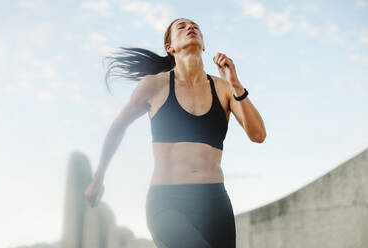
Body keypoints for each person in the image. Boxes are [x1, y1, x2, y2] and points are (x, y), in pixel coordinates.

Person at [84, 17, 267, 248]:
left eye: (196, 26)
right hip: (168, 202)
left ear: (203, 44)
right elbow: (118, 126)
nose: (191, 27)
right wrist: (98, 178)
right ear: (169, 47)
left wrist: (236, 84)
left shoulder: (223, 88)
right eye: (181, 27)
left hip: (215, 203)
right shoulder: (155, 85)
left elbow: (258, 134)